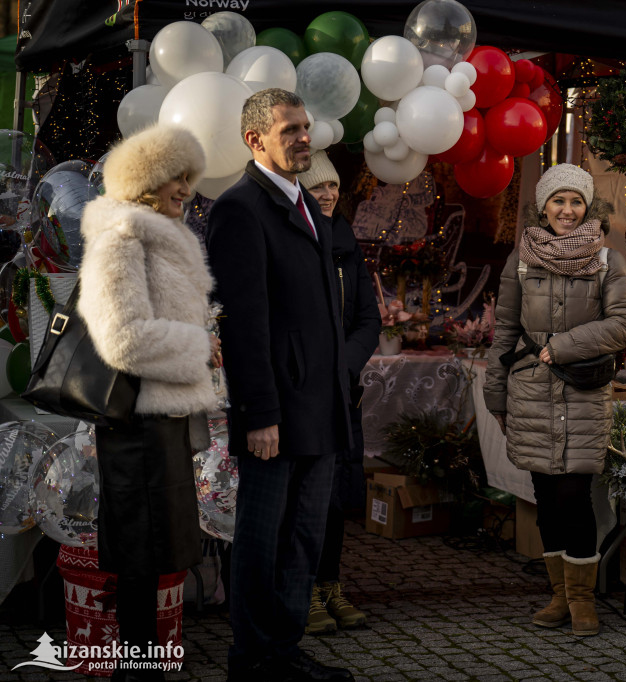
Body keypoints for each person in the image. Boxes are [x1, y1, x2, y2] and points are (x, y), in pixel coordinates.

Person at [207, 89, 354, 682]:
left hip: (320, 406)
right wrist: (259, 412)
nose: (303, 137)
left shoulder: (311, 208)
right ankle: (253, 657)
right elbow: (243, 322)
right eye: (290, 129)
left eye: (306, 127)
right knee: (262, 541)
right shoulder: (240, 208)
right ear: (254, 140)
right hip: (276, 412)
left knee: (303, 538)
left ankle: (284, 650)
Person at [78, 124, 220, 681]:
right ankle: (137, 671)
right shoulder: (121, 238)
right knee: (139, 553)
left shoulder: (160, 234)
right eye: (173, 177)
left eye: (189, 177)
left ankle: (143, 668)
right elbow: (121, 337)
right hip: (134, 420)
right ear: (144, 182)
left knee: (156, 550)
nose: (185, 188)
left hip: (159, 415)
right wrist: (196, 344)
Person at [484, 163, 626, 637]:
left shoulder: (608, 261)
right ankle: (559, 597)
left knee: (574, 494)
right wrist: (496, 391)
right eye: (558, 201)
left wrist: (563, 345)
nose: (567, 211)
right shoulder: (522, 258)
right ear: (543, 207)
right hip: (530, 389)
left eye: (576, 202)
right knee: (546, 496)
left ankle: (583, 600)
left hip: (583, 390)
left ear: (588, 206)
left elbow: (625, 324)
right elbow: (506, 328)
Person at [297, 151, 380, 634]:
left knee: (337, 496)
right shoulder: (293, 241)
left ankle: (330, 587)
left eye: (332, 187)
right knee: (307, 497)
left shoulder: (349, 245)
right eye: (317, 188)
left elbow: (369, 319)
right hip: (304, 392)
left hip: (341, 391)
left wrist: (343, 366)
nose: (328, 195)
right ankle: (302, 590)